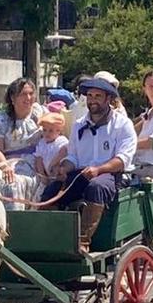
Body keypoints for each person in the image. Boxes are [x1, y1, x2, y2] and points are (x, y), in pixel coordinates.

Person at [40, 72, 138, 252]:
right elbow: (73, 157)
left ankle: (83, 242)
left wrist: (99, 169)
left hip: (111, 175)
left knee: (96, 187)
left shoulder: (122, 125)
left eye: (98, 96)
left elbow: (123, 159)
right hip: (82, 173)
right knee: (52, 190)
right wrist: (64, 167)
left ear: (108, 98)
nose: (93, 100)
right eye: (90, 96)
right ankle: (46, 239)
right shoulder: (79, 124)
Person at [0, 77, 46, 208]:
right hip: (8, 162)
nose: (28, 97)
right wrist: (5, 166)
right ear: (13, 98)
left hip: (35, 163)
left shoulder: (41, 113)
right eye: (23, 94)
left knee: (17, 182)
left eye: (31, 93)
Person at [33, 112, 69, 185]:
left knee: (59, 169)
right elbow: (38, 159)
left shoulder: (61, 140)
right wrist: (42, 174)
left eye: (51, 131)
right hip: (47, 173)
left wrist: (52, 165)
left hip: (58, 170)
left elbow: (63, 152)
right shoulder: (42, 143)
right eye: (44, 130)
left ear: (59, 131)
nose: (47, 133)